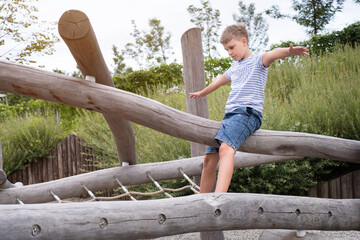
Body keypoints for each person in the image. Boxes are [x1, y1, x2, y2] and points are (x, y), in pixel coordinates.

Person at [189, 24, 309, 193]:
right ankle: (201, 200)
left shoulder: (258, 60)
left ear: (244, 41)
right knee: (209, 158)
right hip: (230, 117)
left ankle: (219, 197)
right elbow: (218, 82)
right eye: (226, 50)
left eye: (232, 47)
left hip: (247, 114)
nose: (230, 52)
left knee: (225, 149)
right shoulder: (234, 67)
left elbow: (273, 53)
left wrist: (290, 52)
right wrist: (202, 92)